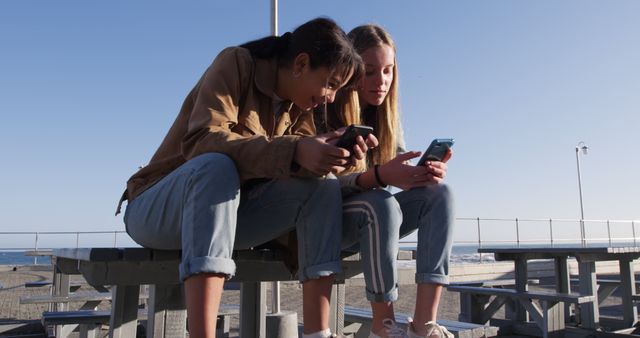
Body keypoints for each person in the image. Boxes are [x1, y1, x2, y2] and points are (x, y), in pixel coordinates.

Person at [118, 18, 369, 338]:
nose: (331, 97)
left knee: (323, 186)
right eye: (331, 83)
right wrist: (294, 152)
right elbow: (201, 142)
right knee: (215, 166)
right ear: (301, 63)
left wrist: (340, 158)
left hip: (229, 217)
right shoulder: (236, 63)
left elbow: (302, 166)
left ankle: (318, 333)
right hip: (158, 207)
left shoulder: (298, 110)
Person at [316, 24, 454, 338]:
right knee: (379, 202)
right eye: (370, 71)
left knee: (440, 194)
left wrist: (421, 174)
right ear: (350, 69)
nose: (381, 82)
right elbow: (316, 188)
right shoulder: (323, 108)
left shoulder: (387, 118)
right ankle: (385, 327)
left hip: (377, 220)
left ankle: (424, 325)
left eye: (388, 71)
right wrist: (376, 176)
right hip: (329, 222)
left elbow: (397, 169)